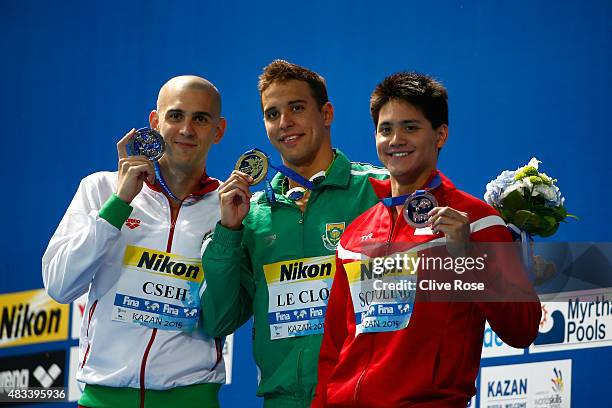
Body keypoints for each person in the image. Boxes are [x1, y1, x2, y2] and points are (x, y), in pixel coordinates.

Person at [313, 72, 542, 407]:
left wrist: (468, 259)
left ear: (441, 135)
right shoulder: (355, 233)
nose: (395, 140)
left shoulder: (476, 221)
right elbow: (334, 347)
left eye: (411, 127)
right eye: (386, 129)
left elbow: (522, 328)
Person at [200, 60, 388, 407]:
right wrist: (228, 231)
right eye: (272, 114)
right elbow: (218, 320)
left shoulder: (378, 190)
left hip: (364, 395)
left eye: (296, 108)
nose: (284, 122)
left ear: (326, 113)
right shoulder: (252, 214)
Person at [42, 75, 227, 408]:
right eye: (175, 116)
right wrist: (118, 204)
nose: (186, 129)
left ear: (219, 130)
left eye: (201, 118)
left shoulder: (229, 208)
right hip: (104, 397)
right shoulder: (101, 189)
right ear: (155, 122)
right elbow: (59, 284)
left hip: (192, 397)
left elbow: (229, 311)